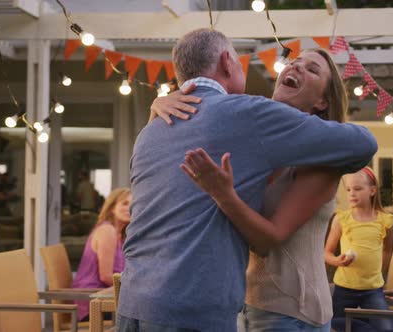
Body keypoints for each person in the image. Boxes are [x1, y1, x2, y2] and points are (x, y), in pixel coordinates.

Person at [118, 28, 377, 332]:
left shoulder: (158, 132)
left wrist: (223, 195)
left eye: (311, 69)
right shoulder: (245, 127)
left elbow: (364, 143)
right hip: (222, 308)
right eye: (295, 62)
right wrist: (157, 106)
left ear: (323, 101)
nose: (294, 66)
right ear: (228, 62)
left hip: (291, 313)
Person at [324, 168, 393, 331]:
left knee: (386, 329)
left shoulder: (385, 221)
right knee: (332, 327)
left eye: (357, 189)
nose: (351, 194)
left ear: (372, 191)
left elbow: (387, 251)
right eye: (348, 189)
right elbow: (326, 253)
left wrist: (379, 276)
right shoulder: (341, 219)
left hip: (373, 290)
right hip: (344, 288)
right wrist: (338, 261)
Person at [72, 187, 131, 321]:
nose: (130, 208)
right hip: (92, 304)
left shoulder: (120, 236)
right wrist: (134, 286)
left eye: (133, 205)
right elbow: (105, 276)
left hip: (107, 298)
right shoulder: (107, 231)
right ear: (112, 208)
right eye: (124, 203)